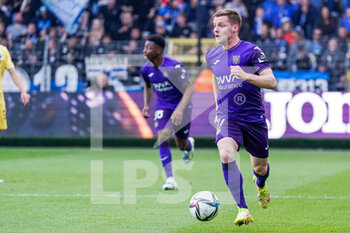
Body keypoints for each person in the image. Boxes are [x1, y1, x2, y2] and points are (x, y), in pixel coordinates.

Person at [206, 9, 277, 226]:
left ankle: (261, 184)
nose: (216, 29)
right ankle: (243, 209)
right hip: (229, 117)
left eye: (221, 25)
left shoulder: (251, 51)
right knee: (226, 155)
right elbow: (215, 79)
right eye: (214, 25)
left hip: (254, 118)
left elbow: (272, 82)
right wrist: (218, 108)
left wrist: (246, 76)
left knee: (260, 167)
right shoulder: (212, 55)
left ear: (234, 27)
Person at [141, 34, 195, 190]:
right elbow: (148, 86)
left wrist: (179, 109)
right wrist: (146, 105)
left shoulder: (174, 67)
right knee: (163, 136)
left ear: (158, 50)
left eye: (148, 48)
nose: (145, 51)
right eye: (145, 47)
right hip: (163, 105)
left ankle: (189, 146)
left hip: (182, 106)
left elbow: (190, 88)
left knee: (181, 144)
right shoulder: (146, 69)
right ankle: (170, 179)